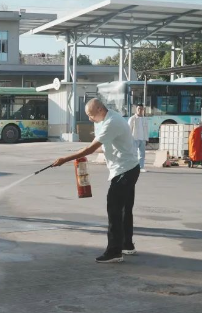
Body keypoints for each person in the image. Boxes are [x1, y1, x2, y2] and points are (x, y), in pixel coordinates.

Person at [52, 98, 140, 263]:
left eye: (90, 115)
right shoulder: (109, 118)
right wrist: (81, 153)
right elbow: (102, 146)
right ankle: (127, 245)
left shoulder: (111, 122)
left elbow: (91, 148)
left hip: (124, 171)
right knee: (124, 209)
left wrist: (65, 158)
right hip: (130, 167)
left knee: (114, 209)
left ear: (100, 109)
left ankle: (114, 251)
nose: (89, 119)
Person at [127, 103, 149, 172]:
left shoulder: (145, 119)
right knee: (134, 154)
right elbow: (129, 129)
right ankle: (133, 168)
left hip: (142, 139)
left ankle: (141, 167)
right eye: (139, 109)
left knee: (142, 154)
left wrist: (147, 138)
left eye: (141, 109)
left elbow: (146, 129)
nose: (140, 110)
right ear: (136, 109)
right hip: (134, 138)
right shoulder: (132, 119)